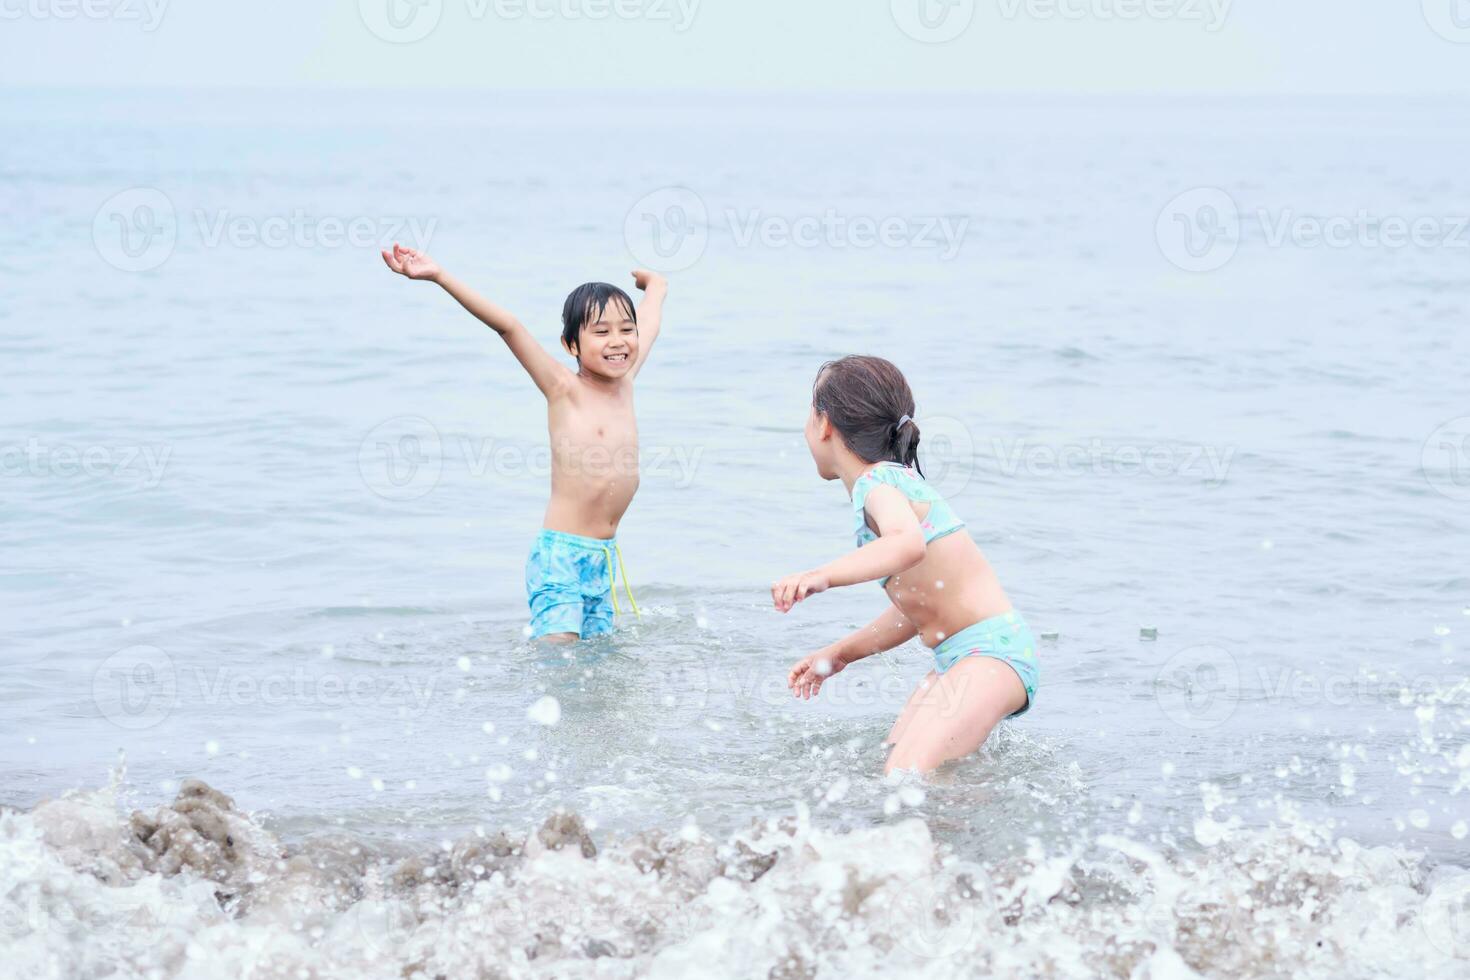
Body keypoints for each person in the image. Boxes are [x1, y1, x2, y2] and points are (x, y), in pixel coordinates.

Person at [381, 243, 668, 643]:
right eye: (601, 332)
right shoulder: (563, 388)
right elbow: (508, 326)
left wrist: (656, 284)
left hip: (602, 560)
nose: (618, 341)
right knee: (559, 658)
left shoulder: (627, 382)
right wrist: (438, 275)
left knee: (597, 667)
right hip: (561, 557)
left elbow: (650, 322)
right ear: (572, 346)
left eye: (625, 330)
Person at [774, 355, 1038, 773]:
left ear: (824, 424)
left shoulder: (877, 485)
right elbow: (917, 607)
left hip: (991, 655)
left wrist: (821, 576)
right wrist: (842, 654)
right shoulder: (891, 483)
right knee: (896, 762)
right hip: (966, 657)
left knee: (906, 775)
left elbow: (907, 544)